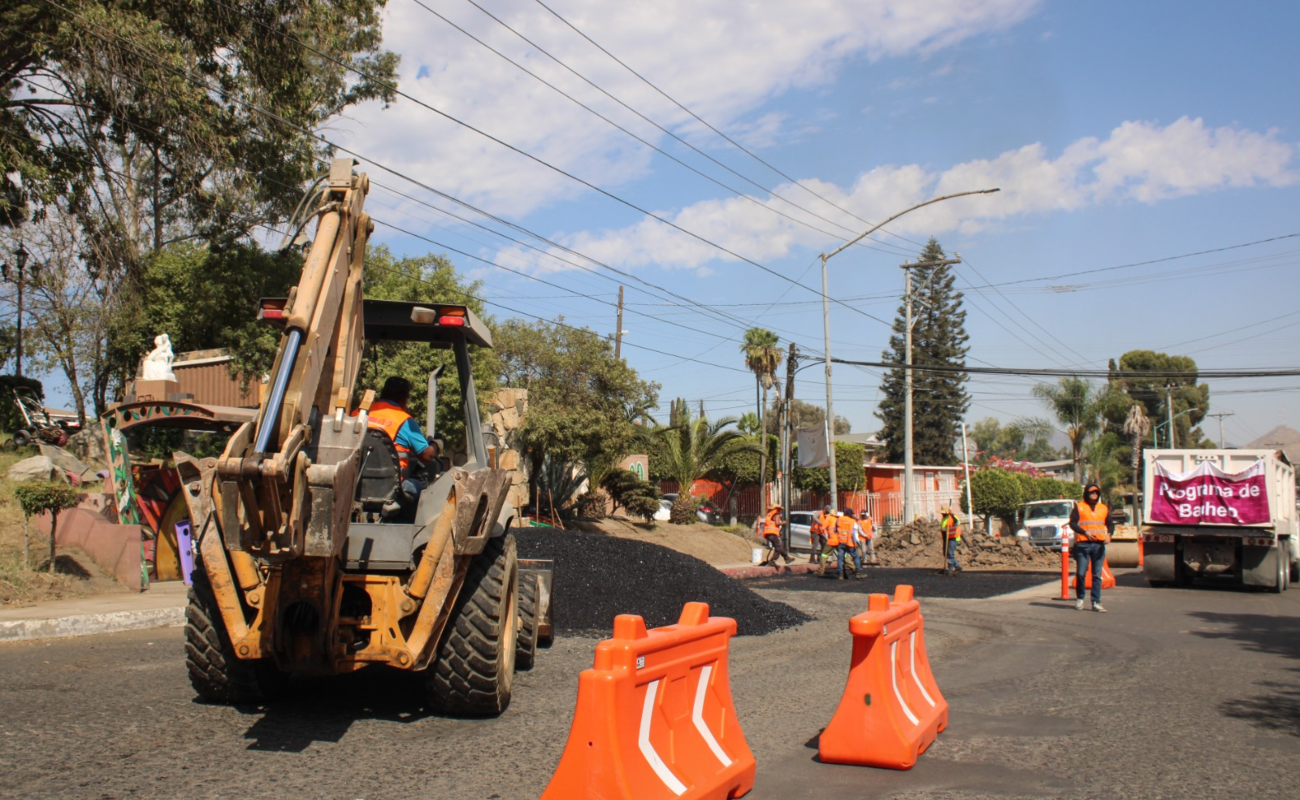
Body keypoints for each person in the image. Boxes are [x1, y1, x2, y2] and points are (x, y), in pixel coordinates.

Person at [365, 376, 442, 509]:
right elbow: (426, 455)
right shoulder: (404, 421)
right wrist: (436, 444)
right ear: (404, 398)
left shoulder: (359, 413)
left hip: (359, 484)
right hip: (393, 487)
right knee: (421, 485)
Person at [1070, 483, 1113, 612]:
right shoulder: (1080, 507)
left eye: (1096, 493)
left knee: (1097, 575)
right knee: (1081, 573)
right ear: (1086, 494)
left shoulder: (1103, 508)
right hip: (1083, 544)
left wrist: (1109, 534)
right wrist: (1084, 532)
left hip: (1098, 545)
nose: (1094, 494)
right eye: (1091, 492)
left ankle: (1096, 602)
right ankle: (1080, 598)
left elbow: (1110, 524)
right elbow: (1072, 523)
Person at [760, 503, 794, 567]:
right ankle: (772, 561)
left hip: (768, 533)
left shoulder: (769, 514)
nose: (781, 511)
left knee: (779, 546)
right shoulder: (776, 513)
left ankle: (787, 558)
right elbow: (777, 523)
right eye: (780, 509)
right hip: (772, 533)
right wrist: (783, 522)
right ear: (777, 508)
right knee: (779, 546)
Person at [834, 510, 863, 580]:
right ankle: (858, 572)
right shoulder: (852, 521)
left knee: (840, 558)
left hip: (841, 542)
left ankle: (840, 574)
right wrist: (856, 543)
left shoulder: (839, 519)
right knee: (856, 556)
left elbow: (835, 530)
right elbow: (854, 533)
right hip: (850, 543)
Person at [940, 507, 962, 574]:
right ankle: (952, 568)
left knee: (950, 554)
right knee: (946, 554)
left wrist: (952, 515)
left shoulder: (953, 517)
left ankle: (955, 567)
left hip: (953, 538)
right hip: (947, 538)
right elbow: (943, 529)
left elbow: (957, 523)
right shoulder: (944, 518)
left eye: (943, 512)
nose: (942, 513)